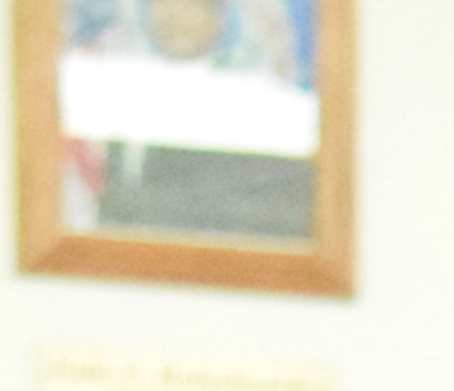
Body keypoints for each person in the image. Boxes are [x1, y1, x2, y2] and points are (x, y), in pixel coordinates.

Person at [66, 0, 316, 247]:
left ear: (223, 14)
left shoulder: (268, 111)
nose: (176, 14)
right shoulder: (108, 95)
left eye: (194, 4)